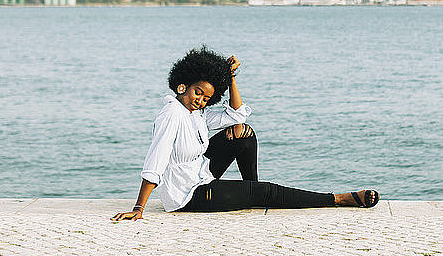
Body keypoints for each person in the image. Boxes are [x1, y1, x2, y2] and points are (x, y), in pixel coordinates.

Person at [111, 46, 378, 221]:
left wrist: (231, 77)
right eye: (197, 93)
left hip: (200, 173)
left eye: (207, 97)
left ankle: (253, 191)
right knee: (267, 190)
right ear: (182, 86)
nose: (201, 100)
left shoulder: (195, 113)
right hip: (188, 194)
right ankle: (338, 199)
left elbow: (237, 115)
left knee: (244, 133)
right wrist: (139, 208)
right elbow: (155, 161)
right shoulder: (171, 114)